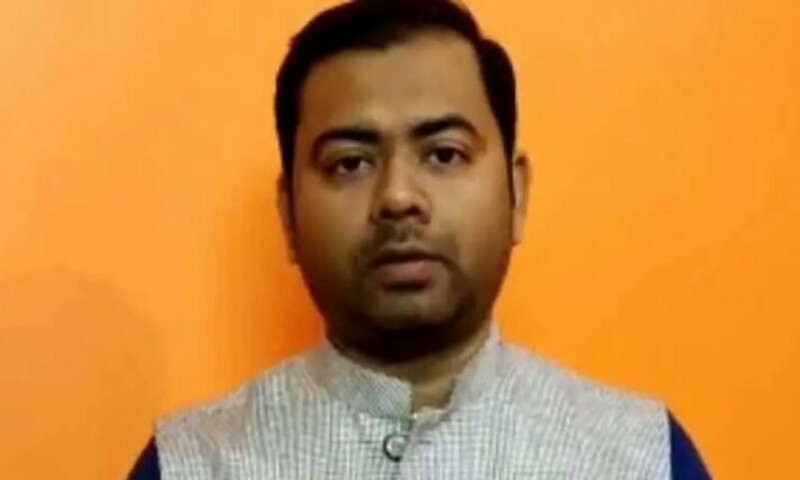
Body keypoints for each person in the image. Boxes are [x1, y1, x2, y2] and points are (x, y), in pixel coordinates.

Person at [129, 0, 711, 478]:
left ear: (516, 193)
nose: (398, 197)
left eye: (444, 154)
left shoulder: (641, 458)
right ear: (289, 215)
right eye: (350, 163)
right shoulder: (190, 464)